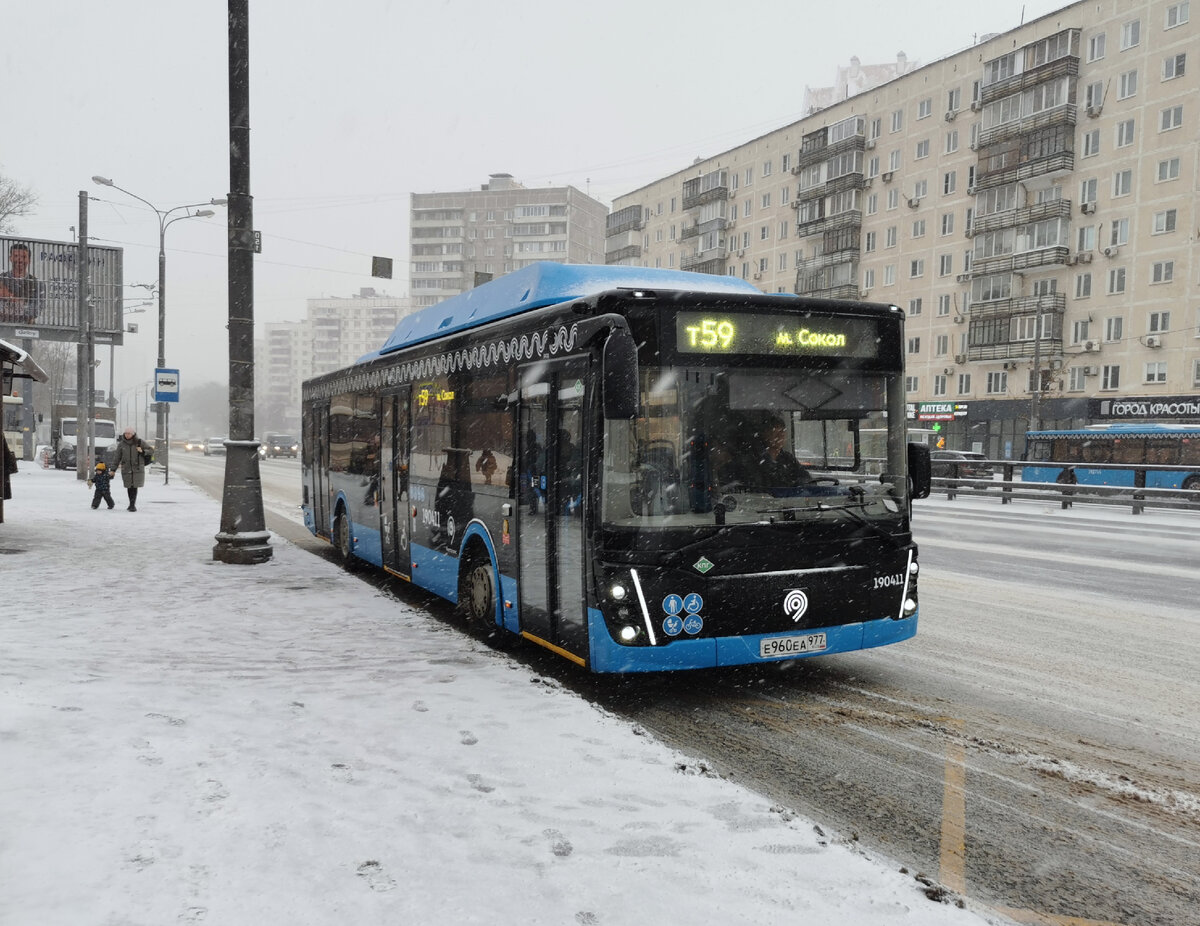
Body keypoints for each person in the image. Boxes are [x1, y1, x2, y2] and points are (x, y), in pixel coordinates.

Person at [749, 416, 811, 489]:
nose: (780, 436)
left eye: (783, 431)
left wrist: (798, 485)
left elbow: (806, 479)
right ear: (765, 434)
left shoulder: (788, 458)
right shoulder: (752, 459)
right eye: (776, 432)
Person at [110, 427, 153, 511]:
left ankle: (132, 504)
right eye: (126, 433)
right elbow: (117, 458)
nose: (127, 435)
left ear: (133, 434)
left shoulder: (140, 442)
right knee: (129, 487)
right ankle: (131, 504)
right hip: (126, 469)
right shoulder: (121, 444)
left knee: (134, 486)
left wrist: (143, 451)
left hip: (137, 469)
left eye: (129, 433)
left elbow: (151, 450)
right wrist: (113, 469)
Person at [0, 242, 40, 323]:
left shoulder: (36, 283)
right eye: (16, 256)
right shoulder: (1, 278)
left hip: (26, 330)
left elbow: (34, 312)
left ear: (29, 260)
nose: (20, 260)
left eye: (23, 256)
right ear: (10, 258)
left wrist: (9, 296)